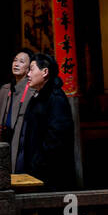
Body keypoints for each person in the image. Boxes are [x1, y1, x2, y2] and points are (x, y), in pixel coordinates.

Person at [18, 53, 74, 191]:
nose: (28, 74)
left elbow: (56, 139)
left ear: (45, 72)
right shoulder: (38, 95)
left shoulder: (56, 98)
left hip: (50, 174)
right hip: (36, 171)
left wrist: (37, 163)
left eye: (32, 69)